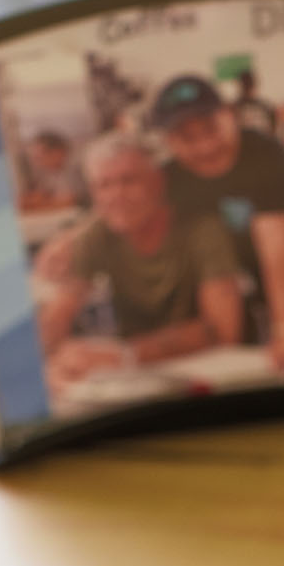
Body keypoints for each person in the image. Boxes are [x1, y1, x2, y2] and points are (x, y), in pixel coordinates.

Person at [33, 134, 242, 391]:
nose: (116, 195)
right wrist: (48, 362)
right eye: (103, 185)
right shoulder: (97, 234)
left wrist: (124, 355)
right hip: (138, 378)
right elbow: (57, 315)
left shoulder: (203, 230)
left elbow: (222, 330)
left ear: (158, 183)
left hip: (211, 373)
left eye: (129, 181)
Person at [151, 75, 284, 379]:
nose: (204, 147)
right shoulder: (168, 177)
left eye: (210, 129)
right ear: (168, 141)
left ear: (229, 115)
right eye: (186, 138)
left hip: (282, 284)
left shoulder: (266, 154)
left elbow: (275, 245)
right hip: (219, 294)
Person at [18, 131, 87, 211]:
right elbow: (34, 198)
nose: (36, 164)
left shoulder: (76, 168)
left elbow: (69, 201)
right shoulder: (49, 173)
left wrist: (41, 203)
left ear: (57, 152)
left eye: (39, 158)